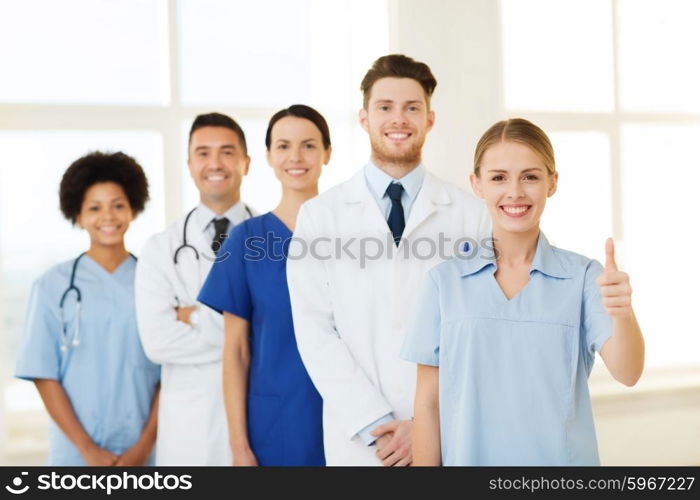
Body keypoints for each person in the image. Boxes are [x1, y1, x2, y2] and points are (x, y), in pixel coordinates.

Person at [403, 118, 645, 466]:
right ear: (477, 184)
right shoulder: (444, 283)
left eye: (530, 176)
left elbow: (629, 372)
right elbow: (427, 403)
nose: (515, 191)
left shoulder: (584, 278)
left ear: (552, 183)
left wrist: (623, 313)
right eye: (499, 177)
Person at [286, 55, 489, 465]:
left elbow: (482, 330)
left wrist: (425, 425)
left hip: (446, 433)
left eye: (412, 108)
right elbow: (314, 331)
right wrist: (374, 423)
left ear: (430, 119)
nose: (399, 119)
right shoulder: (321, 215)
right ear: (364, 118)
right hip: (362, 442)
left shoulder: (472, 215)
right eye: (385, 107)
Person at [198, 104, 330, 466]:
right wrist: (239, 447)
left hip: (347, 415)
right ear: (269, 157)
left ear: (327, 154)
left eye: (309, 145)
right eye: (284, 146)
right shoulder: (245, 239)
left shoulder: (351, 235)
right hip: (274, 424)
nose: (296, 157)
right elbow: (236, 351)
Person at [14, 152, 160, 466]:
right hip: (76, 453)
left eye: (118, 205)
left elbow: (169, 373)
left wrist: (144, 446)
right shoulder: (52, 285)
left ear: (133, 209)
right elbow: (44, 374)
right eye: (94, 208)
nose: (107, 216)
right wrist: (87, 449)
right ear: (77, 215)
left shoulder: (155, 281)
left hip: (143, 450)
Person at [135, 112, 254, 465]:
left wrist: (193, 316)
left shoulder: (275, 240)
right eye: (203, 153)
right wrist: (244, 328)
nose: (214, 163)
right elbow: (157, 342)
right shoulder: (161, 248)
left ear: (246, 163)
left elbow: (285, 332)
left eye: (227, 152)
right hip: (190, 429)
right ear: (189, 164)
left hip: (258, 412)